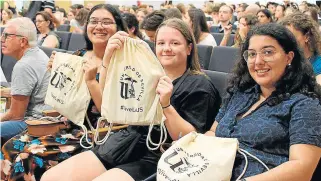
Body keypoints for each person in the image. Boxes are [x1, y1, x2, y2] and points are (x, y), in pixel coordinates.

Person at [41, 18, 221, 181]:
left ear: (189, 48)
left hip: (159, 155)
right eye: (161, 43)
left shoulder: (200, 85)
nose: (166, 48)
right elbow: (110, 99)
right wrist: (109, 56)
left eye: (175, 43)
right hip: (124, 142)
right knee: (51, 178)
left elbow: (188, 138)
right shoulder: (148, 73)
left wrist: (166, 105)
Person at [0, 4, 126, 181]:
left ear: (118, 27)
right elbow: (63, 99)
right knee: (10, 147)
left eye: (106, 22)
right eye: (94, 21)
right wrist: (56, 74)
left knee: (27, 157)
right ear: (86, 26)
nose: (99, 26)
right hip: (65, 124)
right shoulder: (79, 55)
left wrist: (91, 81)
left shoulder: (122, 65)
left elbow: (111, 115)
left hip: (95, 133)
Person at [206, 23, 321, 180]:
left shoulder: (305, 105)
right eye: (251, 54)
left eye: (268, 52)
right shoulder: (240, 92)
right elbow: (213, 132)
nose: (258, 61)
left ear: (289, 57)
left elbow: (301, 169)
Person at [0, 17, 51, 140]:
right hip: (47, 117)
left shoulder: (23, 66)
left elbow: (16, 115)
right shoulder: (37, 53)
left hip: (36, 123)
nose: (2, 39)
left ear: (23, 41)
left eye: (7, 36)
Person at [280, 13, 321, 87]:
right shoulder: (283, 58)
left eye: (291, 37)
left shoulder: (320, 62)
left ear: (307, 37)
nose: (287, 42)